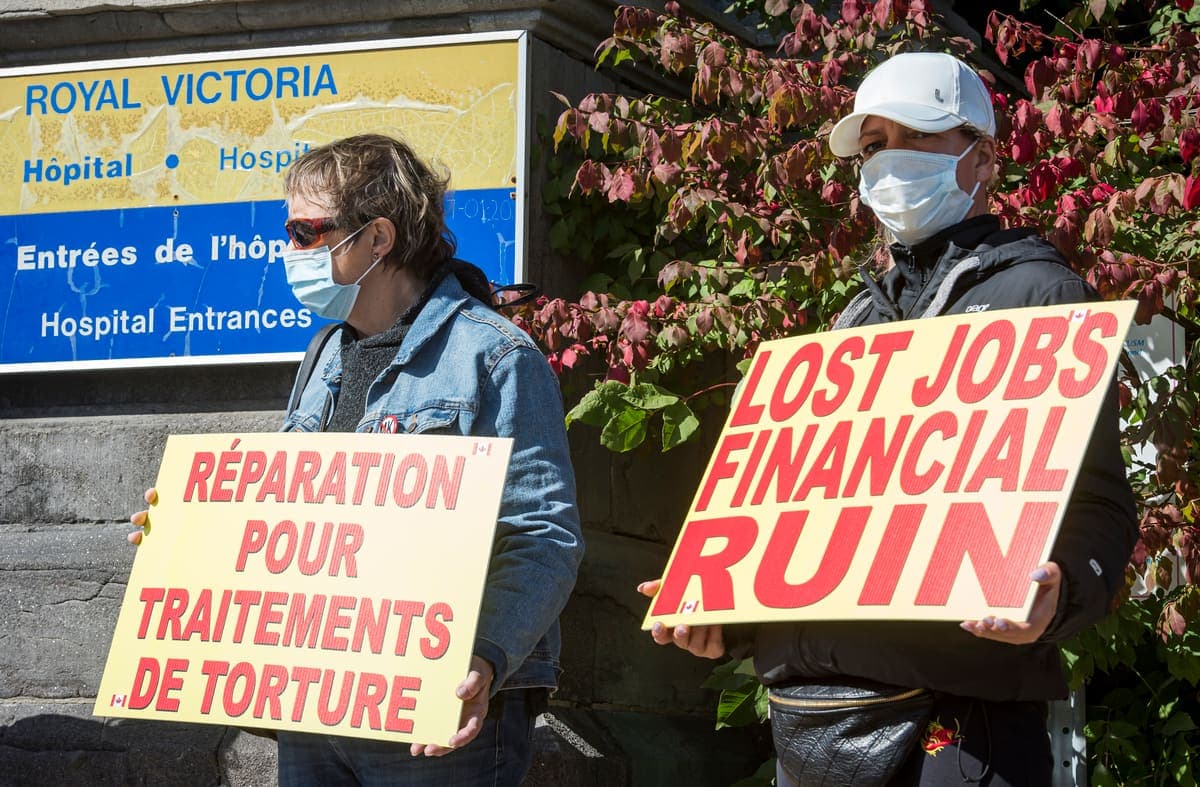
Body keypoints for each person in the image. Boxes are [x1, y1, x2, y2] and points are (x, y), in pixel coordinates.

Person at [640, 51, 1138, 786]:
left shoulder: (1044, 297)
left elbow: (1101, 507)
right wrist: (725, 611)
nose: (887, 164)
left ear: (985, 159)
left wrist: (1061, 584)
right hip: (809, 723)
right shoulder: (853, 320)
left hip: (960, 729)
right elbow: (812, 517)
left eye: (916, 137)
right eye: (873, 147)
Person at [131, 133, 583, 786]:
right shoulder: (323, 357)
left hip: (439, 709)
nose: (288, 253)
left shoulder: (496, 356)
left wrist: (485, 656)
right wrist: (189, 530)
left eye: (305, 231)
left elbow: (542, 533)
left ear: (378, 238)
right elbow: (291, 523)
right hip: (318, 702)